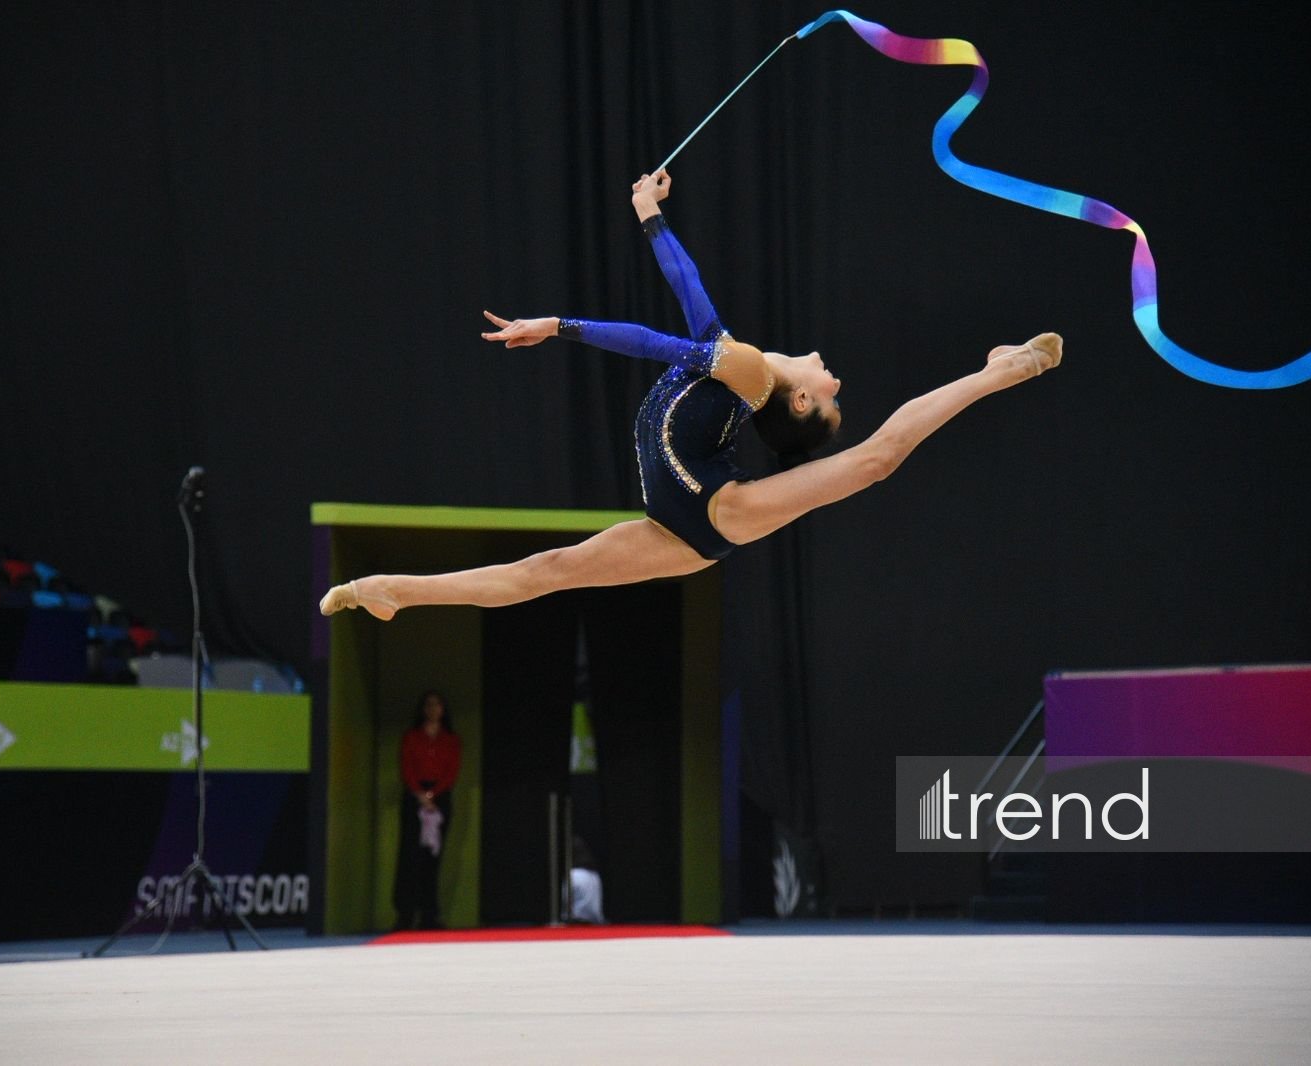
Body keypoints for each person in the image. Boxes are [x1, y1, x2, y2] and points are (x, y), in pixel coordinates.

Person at [321, 170, 1060, 620]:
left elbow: (651, 339)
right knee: (542, 575)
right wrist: (649, 212)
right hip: (678, 527)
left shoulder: (751, 372)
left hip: (710, 513)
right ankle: (390, 590)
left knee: (875, 462)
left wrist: (559, 326)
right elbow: (687, 288)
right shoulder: (741, 363)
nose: (833, 377)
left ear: (799, 404)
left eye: (830, 394)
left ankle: (1003, 369)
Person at [392, 689, 462, 930]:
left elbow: (451, 771)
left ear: (443, 710)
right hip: (415, 797)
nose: (433, 709)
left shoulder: (450, 740)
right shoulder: (412, 737)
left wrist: (434, 795)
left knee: (432, 859)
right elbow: (407, 767)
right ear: (423, 709)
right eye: (429, 705)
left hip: (440, 798)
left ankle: (429, 915)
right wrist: (420, 795)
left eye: (437, 705)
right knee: (409, 857)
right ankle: (405, 914)